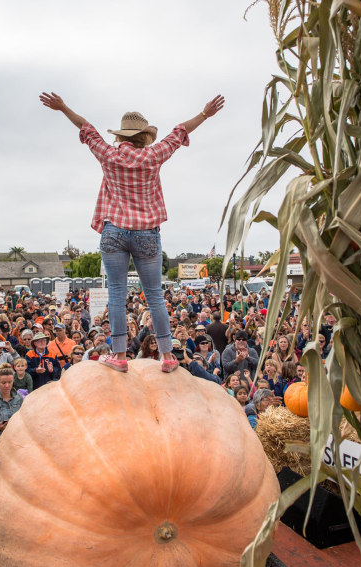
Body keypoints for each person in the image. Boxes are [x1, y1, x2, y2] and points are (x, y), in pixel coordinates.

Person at [40, 91, 224, 374]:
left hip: (114, 230)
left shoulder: (109, 155)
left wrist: (63, 107)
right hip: (147, 233)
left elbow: (86, 128)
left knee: (116, 293)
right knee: (154, 295)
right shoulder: (153, 155)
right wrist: (205, 113)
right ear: (143, 136)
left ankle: (118, 355)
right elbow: (180, 131)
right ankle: (167, 356)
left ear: (122, 136)